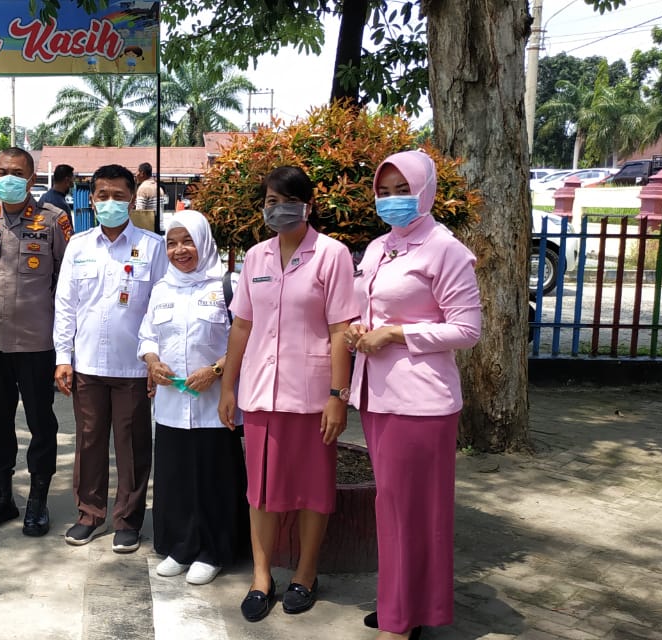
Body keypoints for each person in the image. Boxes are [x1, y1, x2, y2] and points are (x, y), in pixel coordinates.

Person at [343, 150, 480, 640]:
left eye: (403, 189)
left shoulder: (446, 249)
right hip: (378, 396)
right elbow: (374, 306)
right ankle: (400, 601)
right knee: (393, 506)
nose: (392, 199)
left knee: (415, 509)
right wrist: (365, 329)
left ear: (426, 190)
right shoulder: (381, 246)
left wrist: (398, 335)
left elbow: (467, 329)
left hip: (421, 402)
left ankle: (406, 617)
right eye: (384, 190)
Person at [218, 166, 358, 622]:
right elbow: (242, 325)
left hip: (313, 394)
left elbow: (341, 329)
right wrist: (228, 386)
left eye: (286, 200)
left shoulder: (332, 255)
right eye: (270, 200)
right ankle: (262, 577)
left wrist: (338, 394)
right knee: (260, 491)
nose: (276, 209)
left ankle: (306, 572)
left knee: (312, 491)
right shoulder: (256, 257)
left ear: (308, 206)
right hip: (260, 393)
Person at [54, 163, 166, 552]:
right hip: (86, 364)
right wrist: (62, 357)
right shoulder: (79, 246)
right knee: (89, 442)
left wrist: (155, 362)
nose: (111, 202)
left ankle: (128, 519)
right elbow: (65, 306)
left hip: (133, 366)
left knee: (133, 445)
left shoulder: (154, 248)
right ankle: (89, 513)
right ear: (92, 198)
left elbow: (160, 308)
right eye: (103, 195)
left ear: (132, 198)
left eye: (119, 195)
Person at [0, 147, 74, 537]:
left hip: (37, 342)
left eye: (17, 172)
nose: (8, 177)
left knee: (41, 423)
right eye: (2, 171)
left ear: (31, 179)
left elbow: (65, 281)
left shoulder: (53, 220)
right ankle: (2, 499)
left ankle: (37, 503)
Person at [138, 210, 247, 585]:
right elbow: (147, 336)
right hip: (171, 406)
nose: (179, 250)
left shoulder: (227, 285)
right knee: (177, 478)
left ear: (203, 241)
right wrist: (152, 361)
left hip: (216, 406)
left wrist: (216, 370)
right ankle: (180, 546)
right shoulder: (162, 288)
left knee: (214, 478)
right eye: (171, 243)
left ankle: (212, 550)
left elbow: (246, 338)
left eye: (187, 241)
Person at [132, 162, 167, 231]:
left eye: (137, 172)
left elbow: (140, 212)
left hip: (147, 228)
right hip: (160, 227)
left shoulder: (143, 188)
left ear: (142, 173)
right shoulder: (159, 188)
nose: (136, 175)